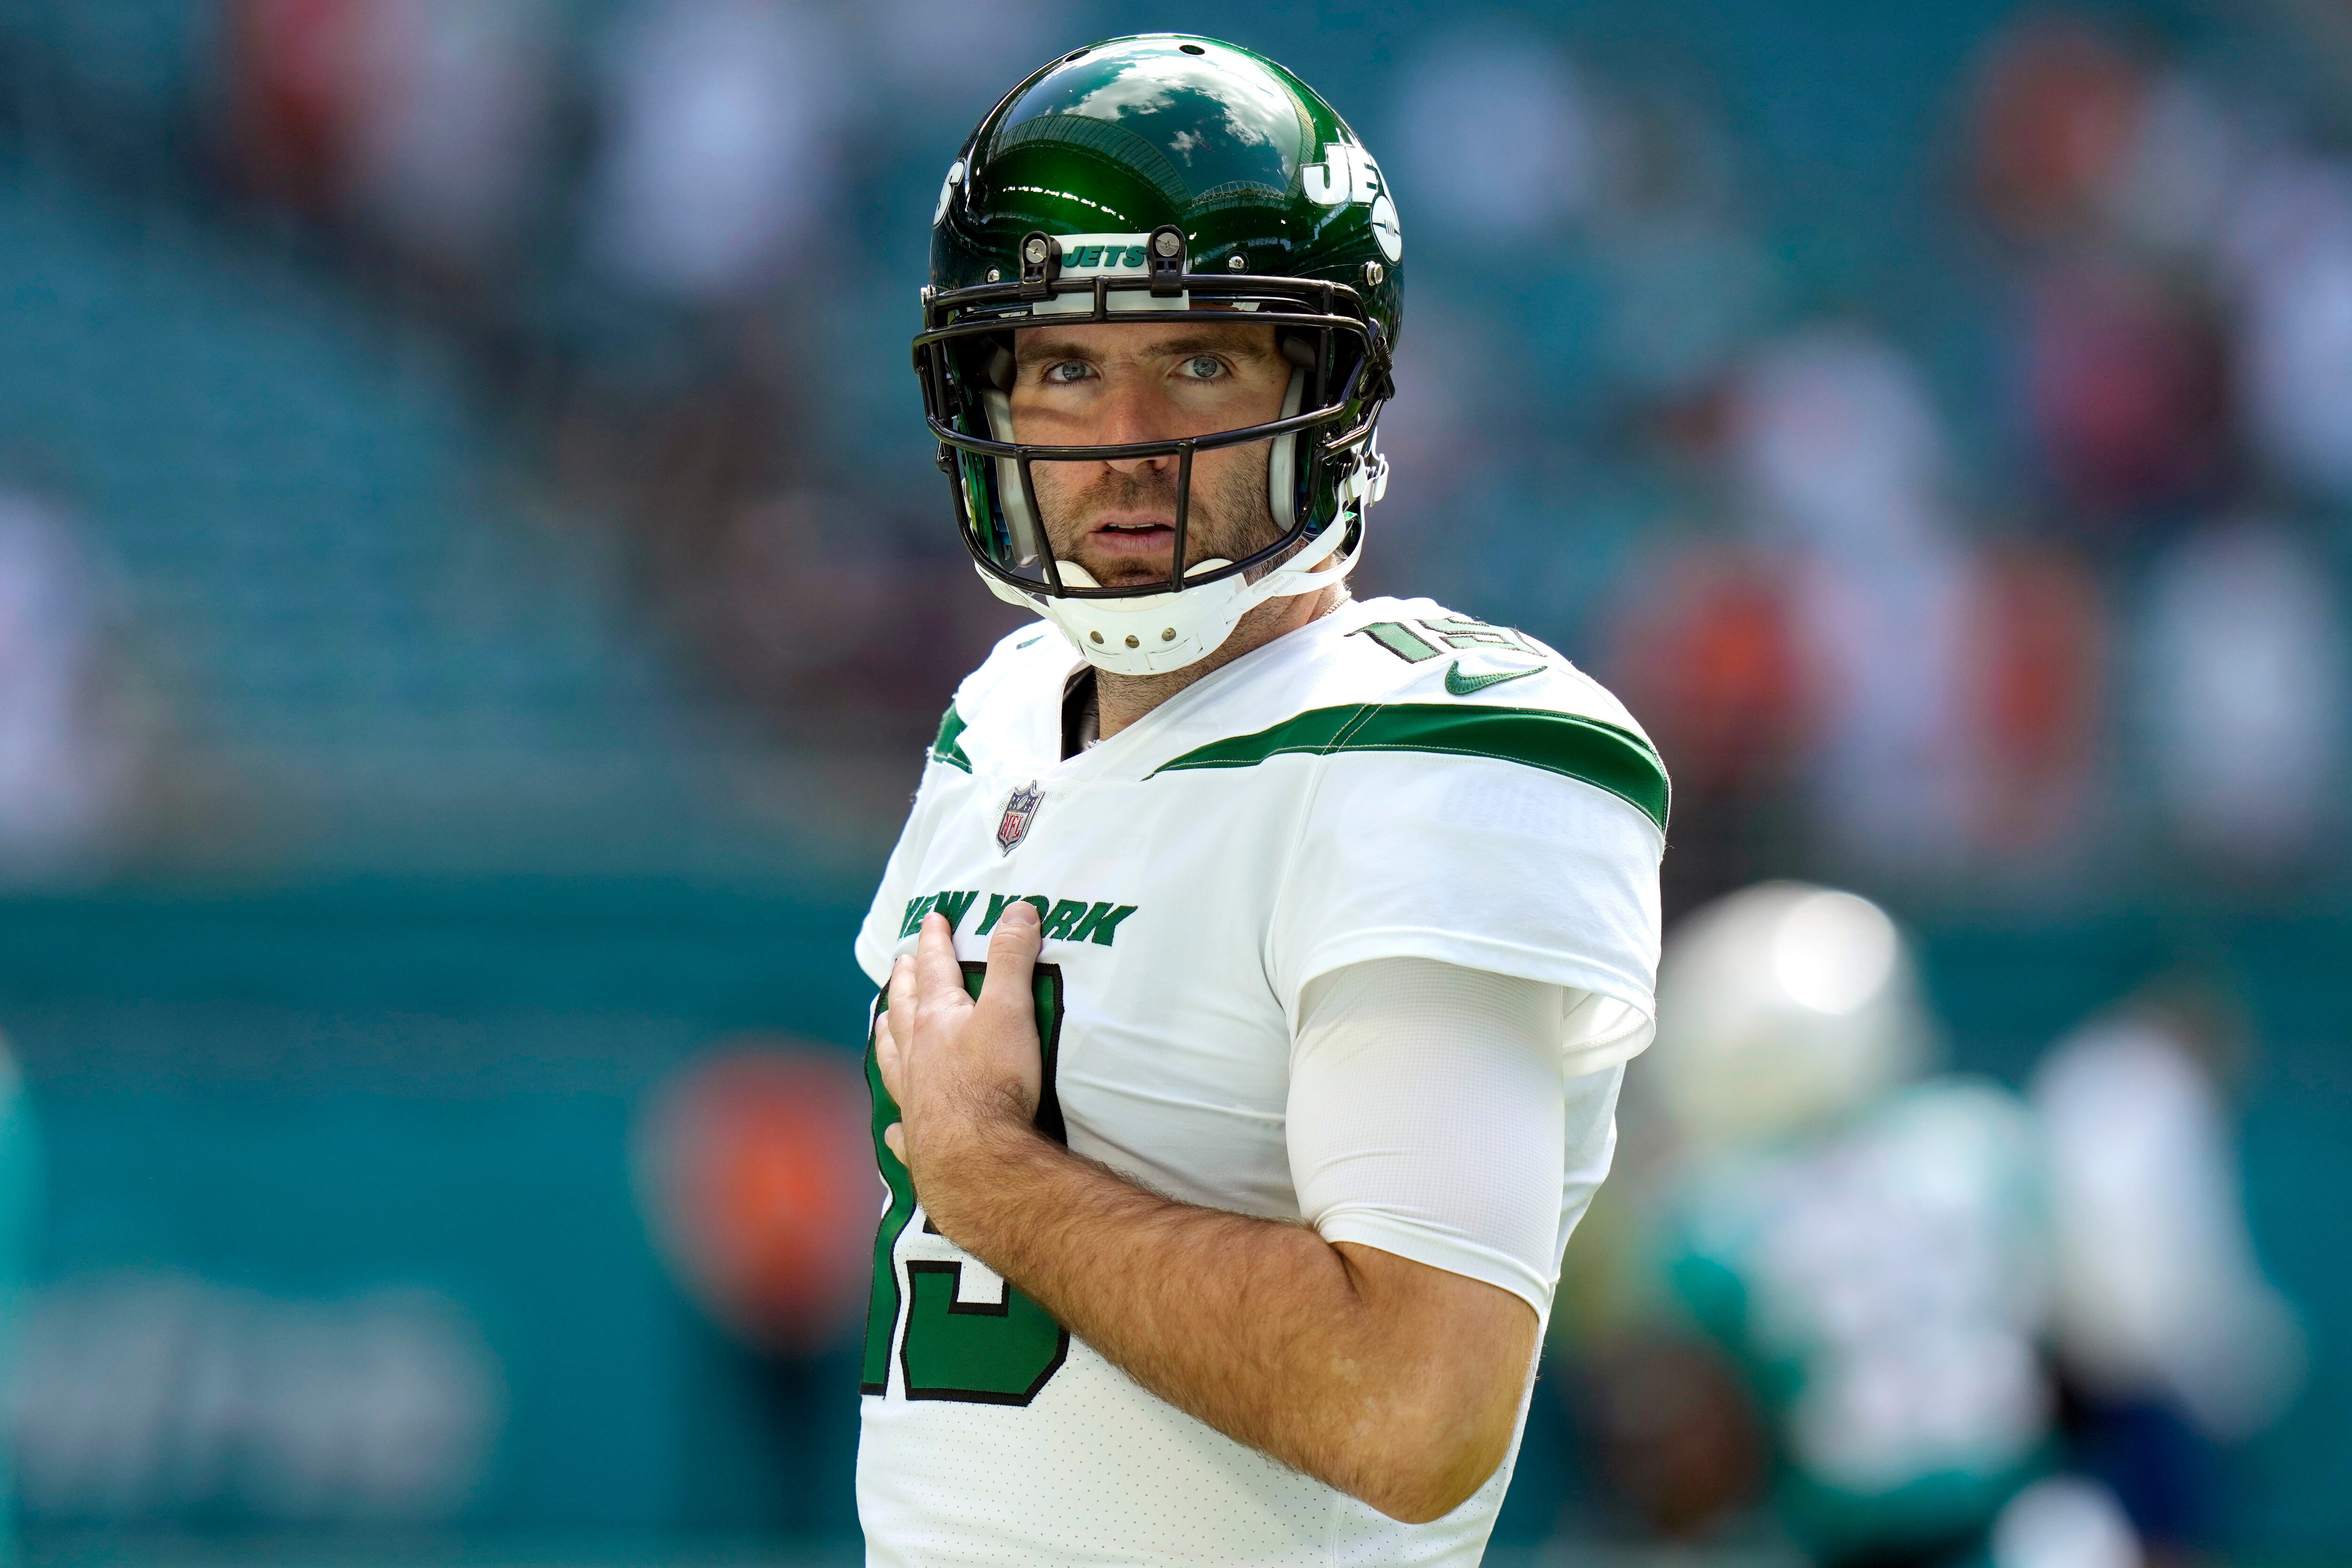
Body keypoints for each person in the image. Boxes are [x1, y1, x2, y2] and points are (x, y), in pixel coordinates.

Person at [854, 35, 1667, 1565]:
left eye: (1203, 359)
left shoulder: (1433, 752)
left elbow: (1413, 1411)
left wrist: (996, 1181)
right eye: (1065, 366)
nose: (1124, 443)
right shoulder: (1003, 714)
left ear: (1330, 392)